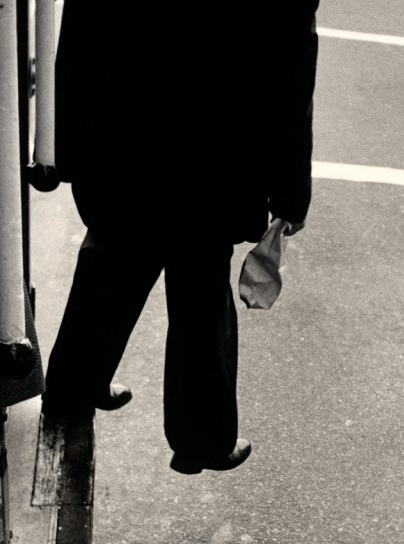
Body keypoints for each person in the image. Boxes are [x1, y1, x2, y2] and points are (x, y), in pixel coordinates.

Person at [40, 2, 320, 474]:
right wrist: (290, 191)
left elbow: (83, 28)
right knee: (201, 282)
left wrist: (65, 147)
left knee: (113, 254)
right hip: (218, 140)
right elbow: (290, 67)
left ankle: (72, 390)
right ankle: (201, 439)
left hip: (124, 122)